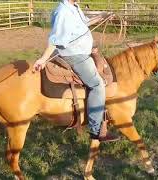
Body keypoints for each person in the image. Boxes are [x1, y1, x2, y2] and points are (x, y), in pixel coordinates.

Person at [33, 0, 118, 142]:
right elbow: (55, 40)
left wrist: (103, 16)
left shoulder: (74, 7)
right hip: (74, 55)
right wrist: (43, 59)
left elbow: (85, 23)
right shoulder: (63, 12)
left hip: (82, 52)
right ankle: (96, 130)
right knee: (97, 85)